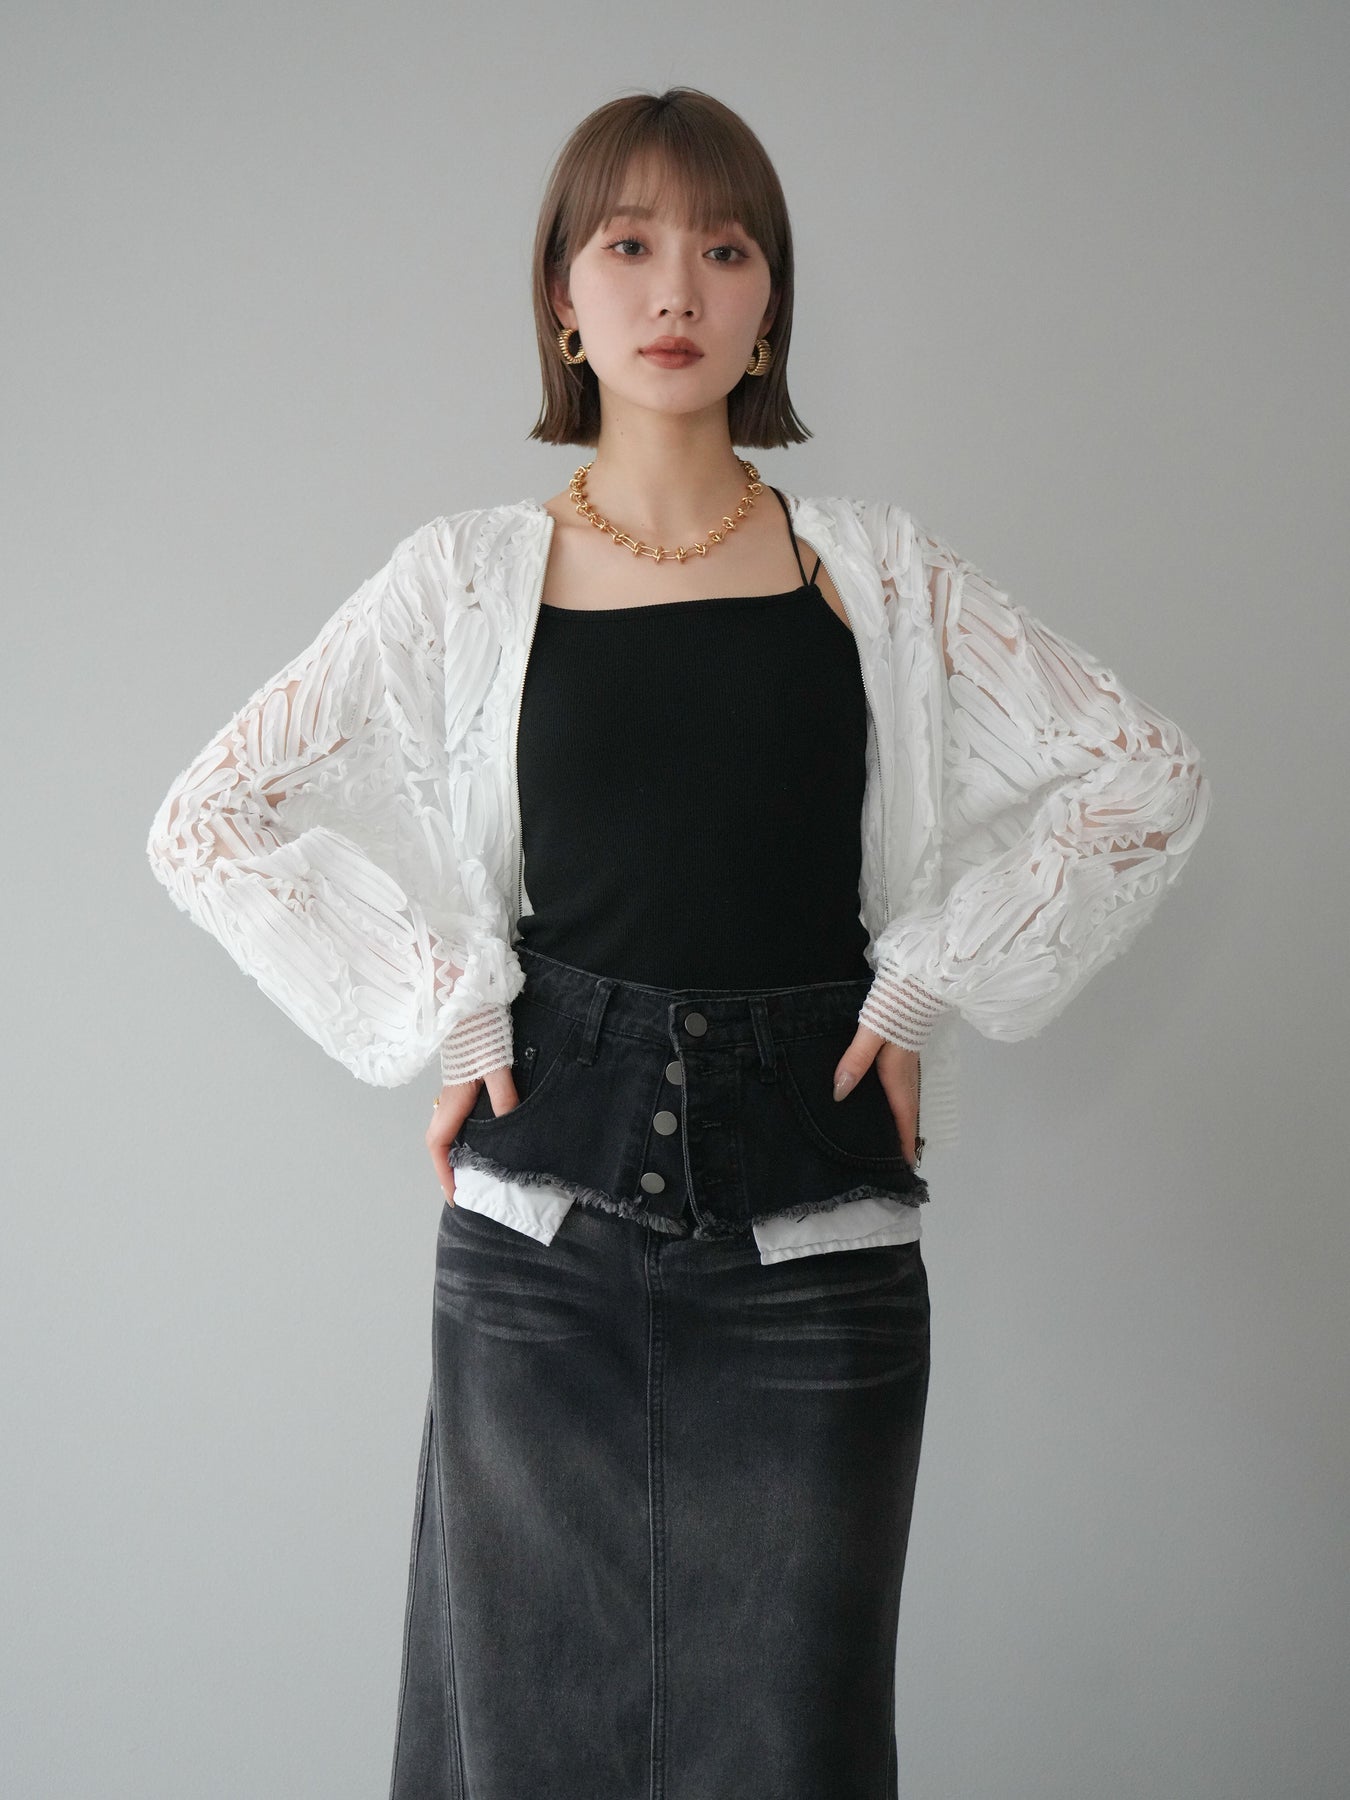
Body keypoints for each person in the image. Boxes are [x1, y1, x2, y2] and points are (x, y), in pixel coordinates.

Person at [145, 86, 1211, 1800]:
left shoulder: (876, 575)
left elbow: (1143, 778)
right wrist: (449, 1008)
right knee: (525, 1732)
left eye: (723, 250)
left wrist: (924, 984)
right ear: (561, 298)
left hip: (818, 1241)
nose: (675, 290)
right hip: (538, 1245)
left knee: (789, 1743)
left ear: (768, 300)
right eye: (628, 245)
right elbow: (211, 817)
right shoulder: (463, 580)